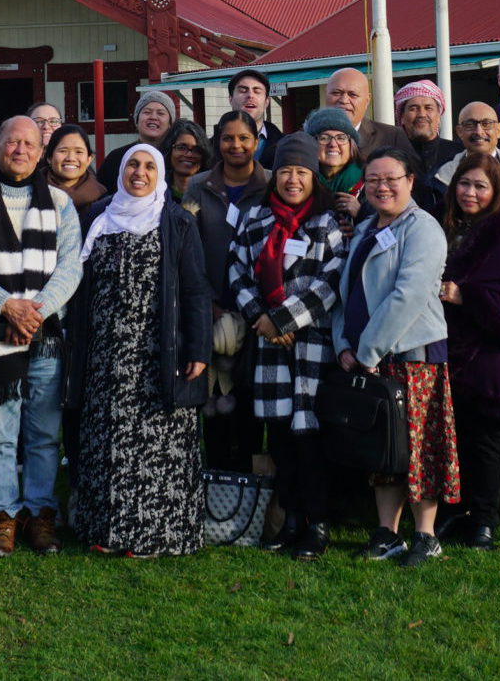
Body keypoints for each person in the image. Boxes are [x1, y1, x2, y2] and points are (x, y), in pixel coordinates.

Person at [65, 144, 211, 556]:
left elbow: (196, 290)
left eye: (149, 165)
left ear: (159, 172)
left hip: (157, 353)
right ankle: (106, 532)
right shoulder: (98, 217)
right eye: (132, 164)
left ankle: (155, 534)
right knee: (107, 440)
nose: (139, 172)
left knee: (155, 444)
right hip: (103, 352)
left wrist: (198, 348)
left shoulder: (176, 222)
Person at [0, 116, 85, 557]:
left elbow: (71, 266)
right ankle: (2, 517)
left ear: (42, 151)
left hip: (45, 337)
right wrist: (7, 306)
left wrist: (36, 312)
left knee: (43, 434)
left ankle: (40, 513)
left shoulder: (60, 203)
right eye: (12, 141)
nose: (20, 150)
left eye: (30, 143)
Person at [227, 133, 348, 560]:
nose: (293, 180)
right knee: (279, 436)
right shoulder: (255, 218)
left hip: (311, 344)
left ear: (314, 177)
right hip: (269, 348)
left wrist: (282, 319)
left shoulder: (326, 223)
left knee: (310, 437)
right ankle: (290, 517)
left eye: (301, 172)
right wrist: (262, 320)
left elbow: (329, 283)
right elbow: (237, 271)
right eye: (285, 172)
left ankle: (317, 522)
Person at [334, 146, 456, 568]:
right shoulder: (367, 226)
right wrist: (343, 345)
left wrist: (367, 348)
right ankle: (387, 534)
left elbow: (409, 295)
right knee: (385, 447)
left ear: (410, 181)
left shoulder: (423, 228)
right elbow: (346, 292)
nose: (382, 187)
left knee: (420, 447)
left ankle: (425, 535)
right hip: (371, 358)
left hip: (413, 356)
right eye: (373, 180)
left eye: (391, 179)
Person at [436, 152, 500, 551]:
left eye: (481, 186)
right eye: (464, 184)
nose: (470, 193)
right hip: (450, 350)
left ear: (496, 191)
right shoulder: (446, 226)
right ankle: (455, 509)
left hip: (493, 355)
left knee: (486, 440)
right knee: (454, 436)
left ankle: (484, 520)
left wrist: (466, 296)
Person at [182, 110, 270, 470]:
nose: (236, 145)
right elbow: (189, 252)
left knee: (250, 400)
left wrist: (259, 310)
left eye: (244, 138)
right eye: (228, 138)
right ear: (217, 143)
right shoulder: (198, 186)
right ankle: (217, 484)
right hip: (211, 309)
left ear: (256, 142)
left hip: (259, 313)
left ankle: (249, 491)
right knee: (214, 404)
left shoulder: (271, 186)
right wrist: (208, 306)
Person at [428, 102, 500, 210]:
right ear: (459, 132)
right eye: (470, 125)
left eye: (486, 124)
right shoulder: (442, 175)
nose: (479, 132)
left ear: (499, 130)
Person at [325, 67, 415, 159]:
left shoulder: (392, 137)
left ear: (367, 100)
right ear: (326, 94)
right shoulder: (311, 137)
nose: (344, 100)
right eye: (336, 93)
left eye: (353, 95)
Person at [97, 91, 175, 187]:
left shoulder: (175, 158)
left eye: (161, 113)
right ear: (137, 120)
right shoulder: (117, 157)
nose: (153, 117)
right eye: (147, 112)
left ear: (170, 124)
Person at [302, 107, 364, 224]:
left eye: (341, 138)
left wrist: (360, 216)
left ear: (352, 145)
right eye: (324, 138)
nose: (333, 144)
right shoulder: (300, 184)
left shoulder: (370, 182)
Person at [396, 79, 459, 169]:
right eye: (413, 109)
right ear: (402, 117)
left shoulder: (458, 155)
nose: (421, 114)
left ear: (438, 115)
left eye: (428, 108)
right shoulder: (390, 157)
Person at [230, 69, 288, 168]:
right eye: (243, 90)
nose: (250, 96)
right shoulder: (210, 147)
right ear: (230, 99)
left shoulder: (286, 146)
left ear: (267, 101)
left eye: (257, 91)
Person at [43, 123, 105, 211]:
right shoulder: (32, 193)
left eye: (79, 152)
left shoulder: (103, 200)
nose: (71, 158)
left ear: (89, 159)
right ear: (49, 157)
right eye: (63, 151)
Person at [163, 120, 212, 197]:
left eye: (196, 150)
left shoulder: (214, 194)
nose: (189, 154)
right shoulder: (155, 193)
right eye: (181, 148)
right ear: (169, 150)